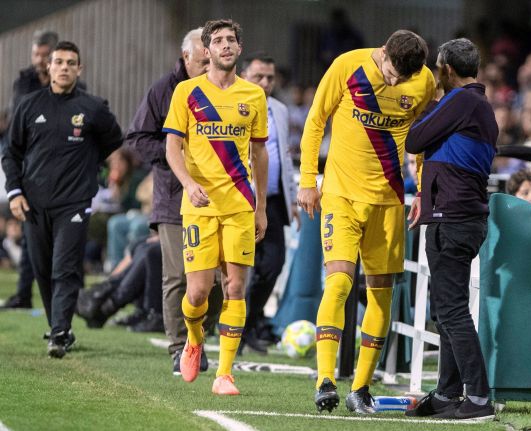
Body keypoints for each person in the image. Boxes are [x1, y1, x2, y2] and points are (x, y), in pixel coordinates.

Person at [297, 30, 435, 414]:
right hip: (340, 195)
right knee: (339, 283)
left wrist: (421, 190)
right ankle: (325, 379)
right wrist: (308, 180)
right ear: (384, 52)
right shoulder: (347, 65)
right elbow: (315, 120)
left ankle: (360, 387)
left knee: (380, 294)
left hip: (389, 201)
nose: (394, 81)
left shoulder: (422, 80)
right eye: (391, 72)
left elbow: (422, 140)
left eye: (401, 79)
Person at [163, 19, 268, 396]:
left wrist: (261, 208)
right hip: (200, 206)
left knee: (236, 286)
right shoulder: (187, 92)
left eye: (231, 40)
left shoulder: (254, 95)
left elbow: (259, 152)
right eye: (218, 40)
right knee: (197, 294)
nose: (225, 46)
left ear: (239, 49)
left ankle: (225, 374)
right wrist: (189, 185)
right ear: (206, 51)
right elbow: (172, 146)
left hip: (240, 204)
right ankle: (194, 339)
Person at [2, 41, 123, 358]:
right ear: (49, 67)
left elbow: (114, 139)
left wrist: (89, 164)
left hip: (75, 201)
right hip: (33, 202)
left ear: (79, 68)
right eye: (59, 62)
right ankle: (59, 324)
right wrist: (15, 192)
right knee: (42, 269)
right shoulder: (28, 106)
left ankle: (59, 332)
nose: (64, 67)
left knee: (64, 266)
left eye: (71, 62)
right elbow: (11, 152)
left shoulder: (93, 107)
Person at [405, 38, 498, 420]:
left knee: (453, 311)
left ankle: (477, 397)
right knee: (446, 311)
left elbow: (414, 139)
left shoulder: (461, 101)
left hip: (452, 218)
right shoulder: (477, 105)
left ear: (444, 69)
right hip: (459, 216)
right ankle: (447, 393)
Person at [126, 27, 221, 376]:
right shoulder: (164, 90)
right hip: (173, 197)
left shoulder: (224, 89)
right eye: (201, 60)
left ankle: (198, 336)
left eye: (210, 59)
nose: (207, 64)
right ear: (186, 58)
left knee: (220, 281)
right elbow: (136, 137)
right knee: (178, 277)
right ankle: (179, 347)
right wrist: (175, 156)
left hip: (219, 199)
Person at [240, 53, 299, 353]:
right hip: (238, 199)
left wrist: (292, 198)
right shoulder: (233, 102)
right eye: (258, 76)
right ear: (244, 75)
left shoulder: (279, 108)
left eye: (270, 77)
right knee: (235, 268)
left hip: (273, 200)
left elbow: (285, 157)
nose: (265, 82)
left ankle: (247, 326)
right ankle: (229, 328)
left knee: (272, 265)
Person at [1, 30, 59, 310]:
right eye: (36, 54)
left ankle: (64, 297)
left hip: (59, 170)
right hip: (28, 166)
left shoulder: (70, 82)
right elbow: (17, 124)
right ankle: (25, 293)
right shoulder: (23, 83)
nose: (39, 60)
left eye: (44, 54)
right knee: (30, 233)